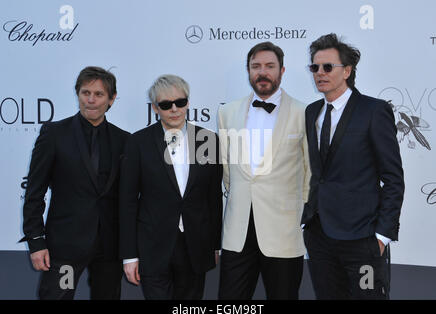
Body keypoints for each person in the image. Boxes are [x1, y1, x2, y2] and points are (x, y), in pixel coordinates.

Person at [301, 33, 405, 299]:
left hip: (363, 239)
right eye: (314, 67)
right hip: (320, 235)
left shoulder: (373, 110)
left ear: (347, 70)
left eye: (327, 67)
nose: (319, 73)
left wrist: (382, 236)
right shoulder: (312, 112)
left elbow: (393, 178)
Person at [20, 66, 130, 299]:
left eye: (98, 94)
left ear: (112, 99)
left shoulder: (124, 140)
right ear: (77, 94)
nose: (90, 100)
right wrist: (36, 242)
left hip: (109, 250)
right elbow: (34, 192)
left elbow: (128, 198)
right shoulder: (55, 134)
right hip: (66, 249)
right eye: (85, 93)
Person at [217, 42, 310, 299]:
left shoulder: (304, 113)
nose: (262, 72)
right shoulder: (227, 112)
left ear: (282, 70)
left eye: (270, 66)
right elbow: (226, 168)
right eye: (256, 66)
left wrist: (299, 212)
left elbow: (309, 171)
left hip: (283, 230)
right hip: (237, 232)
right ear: (248, 71)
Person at [119, 74, 223, 300]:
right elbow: (127, 202)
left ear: (188, 102)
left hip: (196, 245)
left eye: (181, 102)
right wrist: (129, 256)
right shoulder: (138, 143)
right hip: (153, 246)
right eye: (166, 105)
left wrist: (215, 245)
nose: (174, 109)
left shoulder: (208, 140)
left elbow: (213, 197)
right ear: (156, 108)